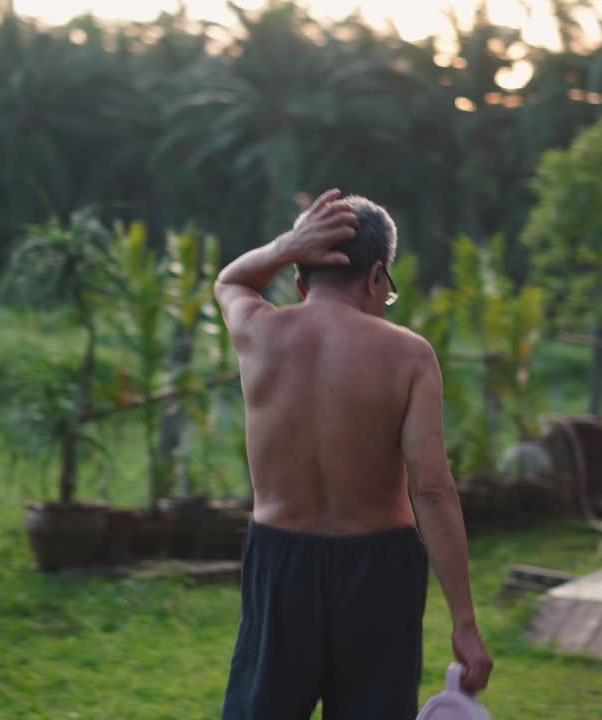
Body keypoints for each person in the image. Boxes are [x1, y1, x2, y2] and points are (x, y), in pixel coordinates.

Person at [215, 189, 494, 719]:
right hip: (379, 569)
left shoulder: (260, 331)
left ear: (299, 279)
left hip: (282, 562)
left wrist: (283, 245)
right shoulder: (408, 355)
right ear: (375, 277)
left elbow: (229, 279)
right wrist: (464, 622)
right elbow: (432, 490)